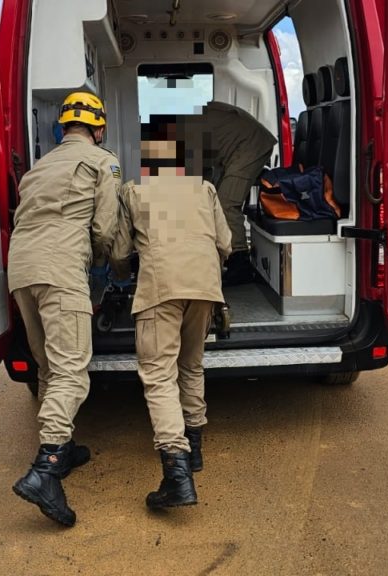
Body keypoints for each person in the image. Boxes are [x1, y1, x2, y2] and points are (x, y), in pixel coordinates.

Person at [8, 91, 121, 527]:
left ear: (62, 127)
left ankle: (66, 445)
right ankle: (47, 467)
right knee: (72, 369)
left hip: (22, 269)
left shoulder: (39, 167)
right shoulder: (100, 161)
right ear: (99, 127)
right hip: (60, 268)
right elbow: (105, 226)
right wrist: (102, 265)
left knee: (48, 366)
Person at [112, 135, 232, 509]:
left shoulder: (134, 192)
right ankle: (194, 450)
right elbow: (225, 243)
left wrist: (120, 273)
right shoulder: (205, 188)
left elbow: (117, 251)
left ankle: (177, 476)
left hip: (160, 287)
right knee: (191, 365)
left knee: (159, 375)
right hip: (205, 286)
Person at [181, 102, 276, 284]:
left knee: (225, 204)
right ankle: (224, 253)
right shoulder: (189, 125)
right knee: (214, 199)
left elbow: (195, 182)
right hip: (239, 147)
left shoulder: (186, 134)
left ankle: (240, 262)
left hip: (250, 146)